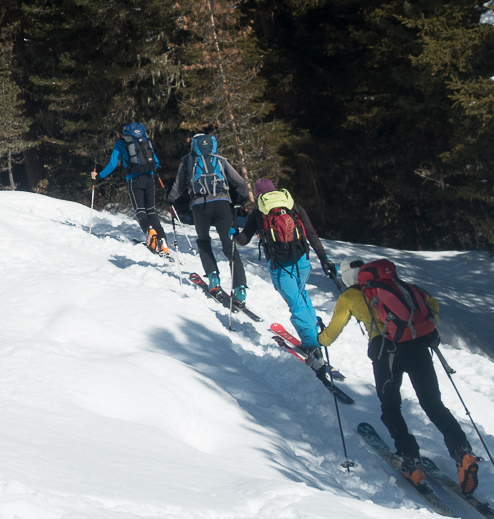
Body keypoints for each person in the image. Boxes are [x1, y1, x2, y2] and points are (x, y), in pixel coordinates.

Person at [318, 258, 481, 495]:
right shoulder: (401, 287)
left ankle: (411, 462)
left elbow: (332, 333)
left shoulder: (350, 297)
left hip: (387, 354)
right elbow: (432, 306)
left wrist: (317, 340)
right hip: (418, 348)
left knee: (391, 407)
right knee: (433, 404)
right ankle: (463, 453)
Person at [235, 177, 338, 359]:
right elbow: (312, 234)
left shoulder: (259, 212)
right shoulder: (293, 206)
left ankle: (312, 345)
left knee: (296, 304)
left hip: (280, 266)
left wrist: (234, 234)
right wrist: (324, 258)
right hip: (302, 262)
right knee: (302, 295)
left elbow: (243, 240)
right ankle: (314, 332)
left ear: (258, 195)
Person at [167, 132, 250, 299]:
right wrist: (243, 197)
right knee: (229, 244)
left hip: (199, 206)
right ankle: (240, 287)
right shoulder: (220, 160)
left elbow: (178, 186)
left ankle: (213, 278)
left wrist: (170, 199)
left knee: (204, 241)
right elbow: (240, 182)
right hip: (222, 204)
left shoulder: (188, 160)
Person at [92, 121, 168, 254]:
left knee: (140, 211)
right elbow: (156, 162)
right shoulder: (144, 140)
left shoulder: (121, 143)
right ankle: (163, 244)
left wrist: (98, 176)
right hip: (149, 178)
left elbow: (112, 164)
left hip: (135, 179)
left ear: (121, 134)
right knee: (151, 211)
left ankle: (150, 233)